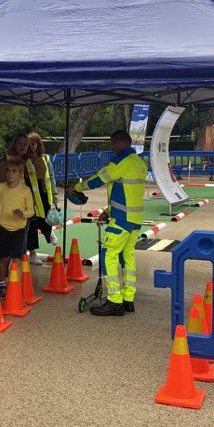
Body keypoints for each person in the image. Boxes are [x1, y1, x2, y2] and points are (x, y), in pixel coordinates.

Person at [68, 129, 147, 317]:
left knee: (108, 256)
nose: (112, 148)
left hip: (121, 220)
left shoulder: (120, 161)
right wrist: (108, 211)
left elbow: (98, 179)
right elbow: (126, 192)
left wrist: (76, 187)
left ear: (120, 143)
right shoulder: (139, 163)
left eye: (113, 144)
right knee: (128, 259)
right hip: (134, 221)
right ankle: (128, 299)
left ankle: (114, 301)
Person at [0, 158, 34, 298]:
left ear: (20, 174)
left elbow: (31, 211)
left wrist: (22, 214)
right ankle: (2, 283)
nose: (10, 174)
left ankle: (15, 284)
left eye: (14, 171)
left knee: (17, 260)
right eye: (8, 171)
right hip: (3, 228)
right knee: (4, 258)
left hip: (19, 229)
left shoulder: (25, 191)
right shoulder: (1, 188)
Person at [0, 133, 43, 265]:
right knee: (6, 246)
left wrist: (35, 156)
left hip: (24, 207)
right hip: (7, 207)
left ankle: (17, 274)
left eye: (25, 144)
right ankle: (5, 274)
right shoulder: (5, 160)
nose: (22, 147)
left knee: (21, 242)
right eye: (19, 144)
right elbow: (0, 184)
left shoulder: (29, 160)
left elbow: (42, 173)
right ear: (14, 144)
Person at [26, 132, 60, 256]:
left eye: (33, 144)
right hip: (31, 195)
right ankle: (33, 252)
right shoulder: (24, 160)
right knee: (32, 222)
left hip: (45, 193)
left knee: (46, 216)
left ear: (38, 144)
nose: (31, 147)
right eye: (28, 144)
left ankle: (48, 231)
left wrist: (55, 193)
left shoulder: (45, 158)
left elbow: (51, 176)